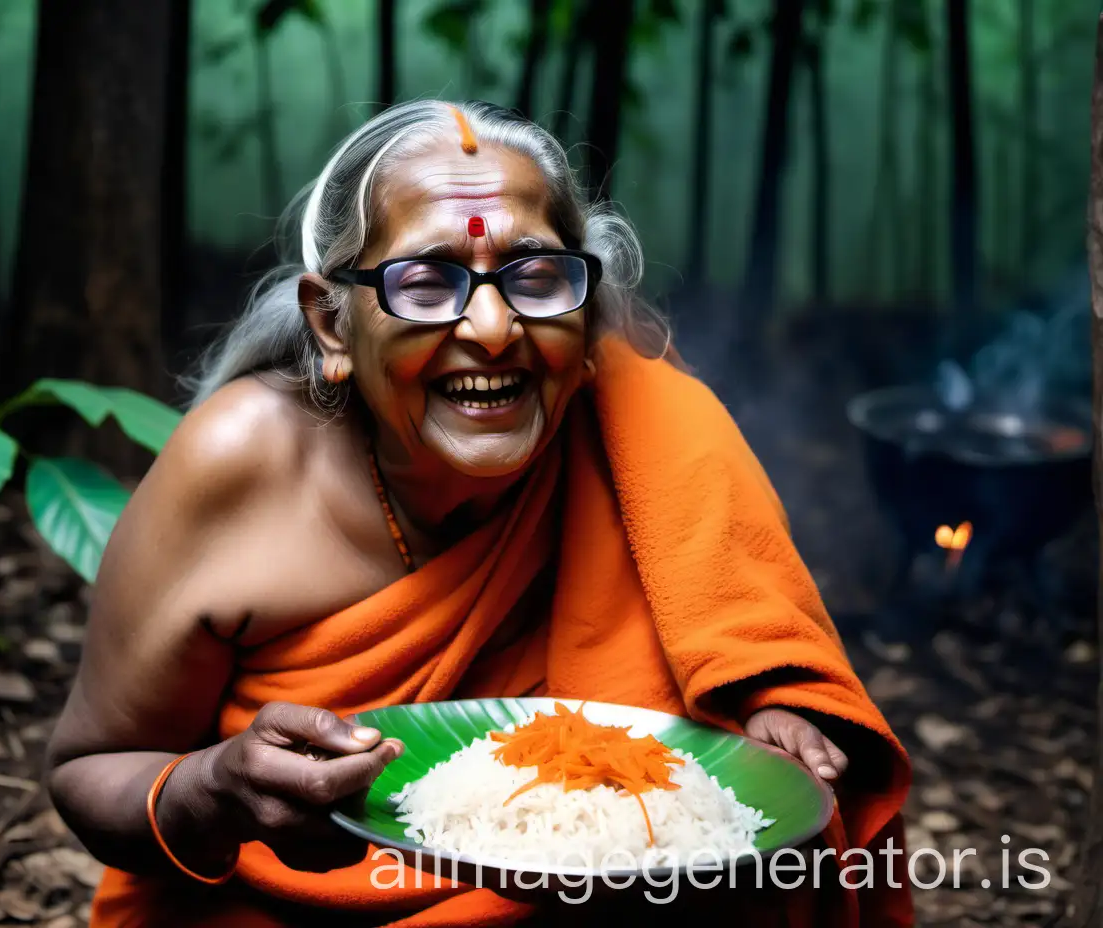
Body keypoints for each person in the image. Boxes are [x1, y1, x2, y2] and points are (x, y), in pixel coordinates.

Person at [44, 100, 913, 927]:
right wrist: (212, 790)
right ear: (333, 325)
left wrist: (763, 721)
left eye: (536, 277)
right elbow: (89, 770)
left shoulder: (653, 430)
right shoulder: (239, 463)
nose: (494, 328)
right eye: (426, 283)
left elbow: (748, 654)